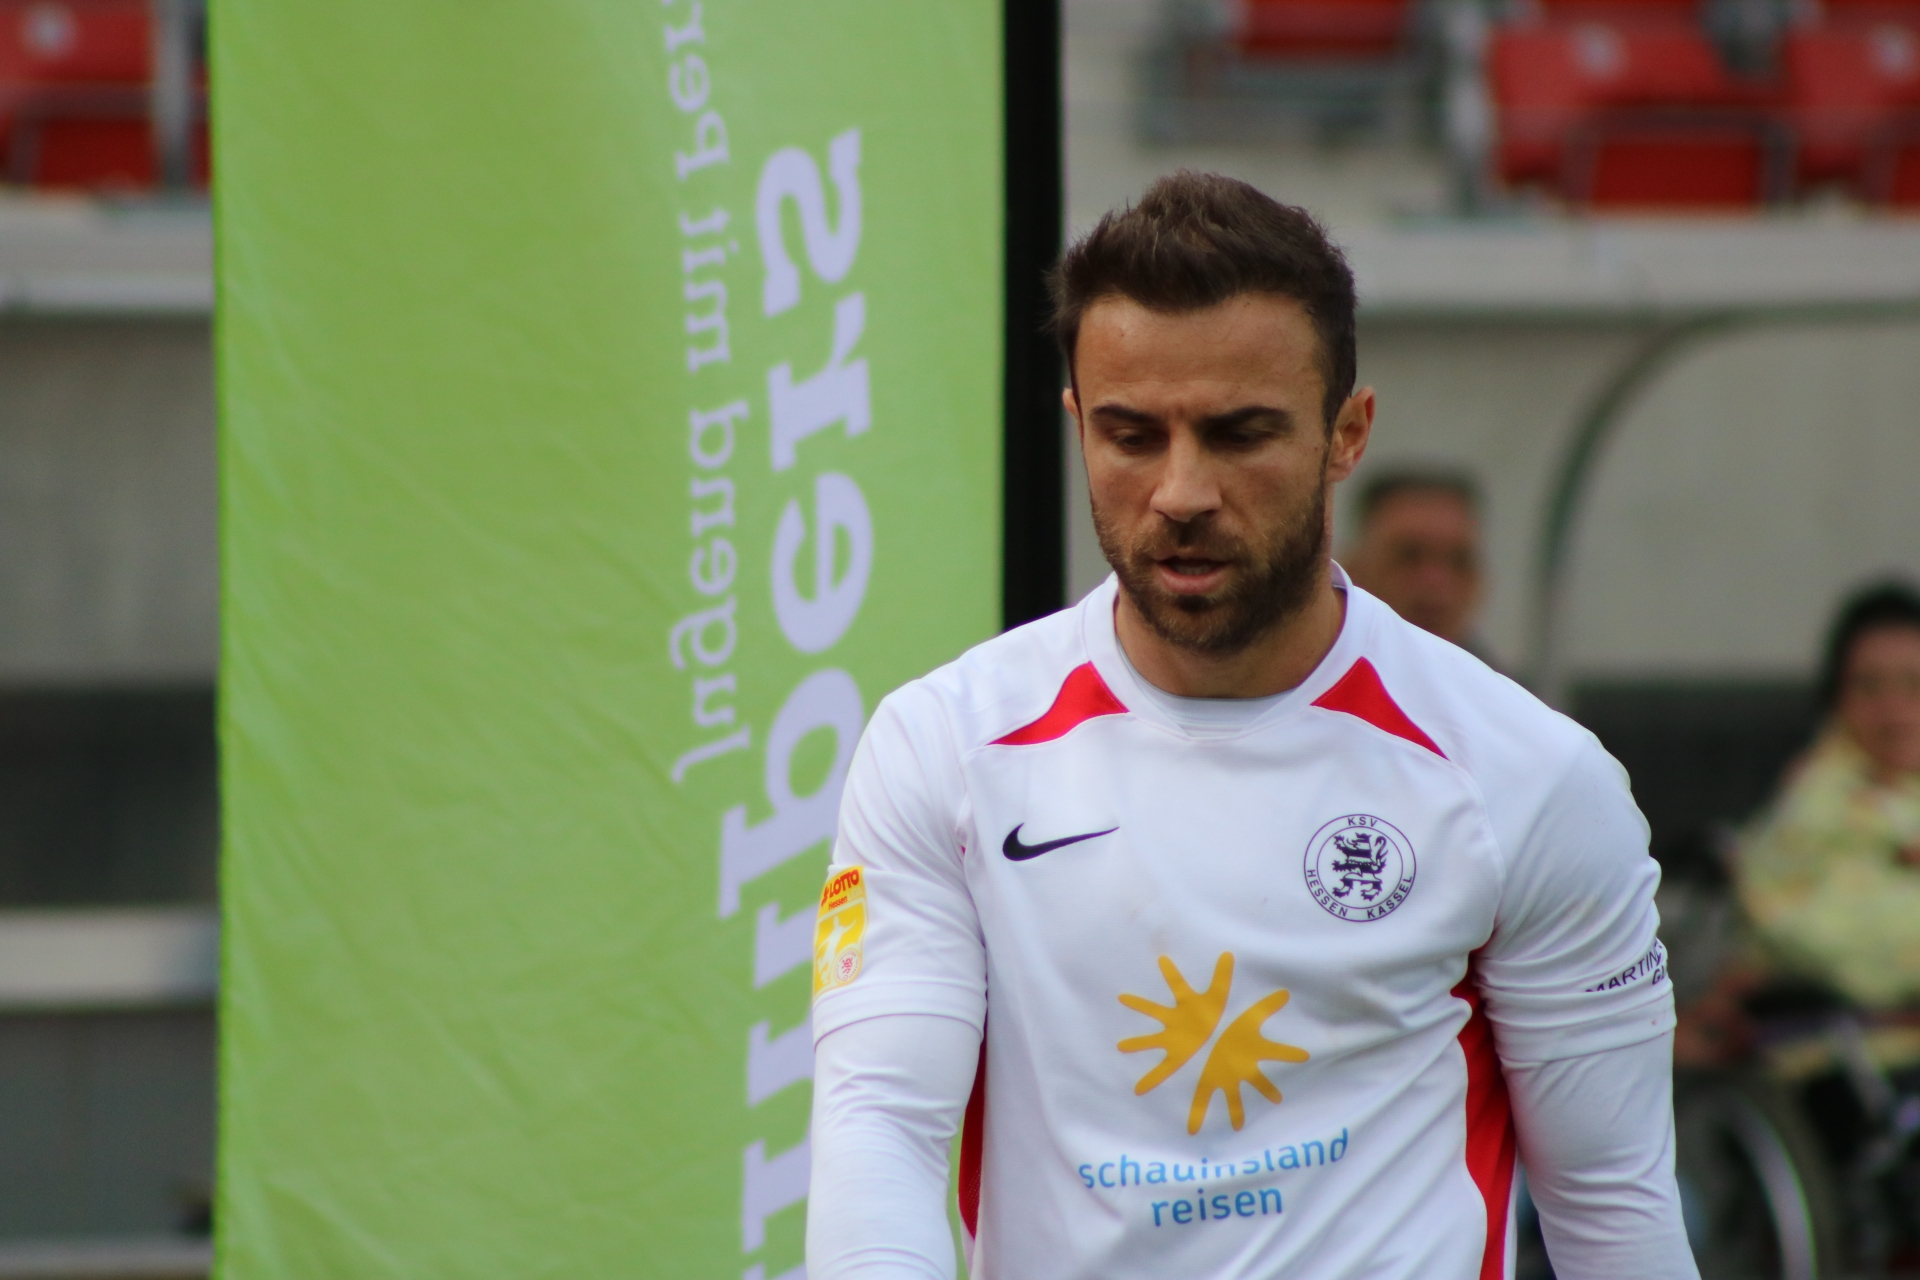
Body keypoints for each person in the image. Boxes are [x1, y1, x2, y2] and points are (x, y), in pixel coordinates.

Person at [806, 173, 1694, 1280]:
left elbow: (1613, 1208)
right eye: (1132, 434)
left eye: (1239, 434)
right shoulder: (942, 747)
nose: (1182, 490)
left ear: (1346, 434)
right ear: (1078, 424)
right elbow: (880, 1128)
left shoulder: (1531, 775)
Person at [1735, 582, 1920, 1011]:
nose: (1895, 710)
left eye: (1915, 684)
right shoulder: (1812, 809)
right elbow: (1812, 933)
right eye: (1869, 687)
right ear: (1836, 698)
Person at [1343, 469, 1490, 658]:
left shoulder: (1497, 678)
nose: (1436, 581)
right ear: (1353, 569)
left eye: (1458, 561)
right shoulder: (1317, 673)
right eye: (1409, 556)